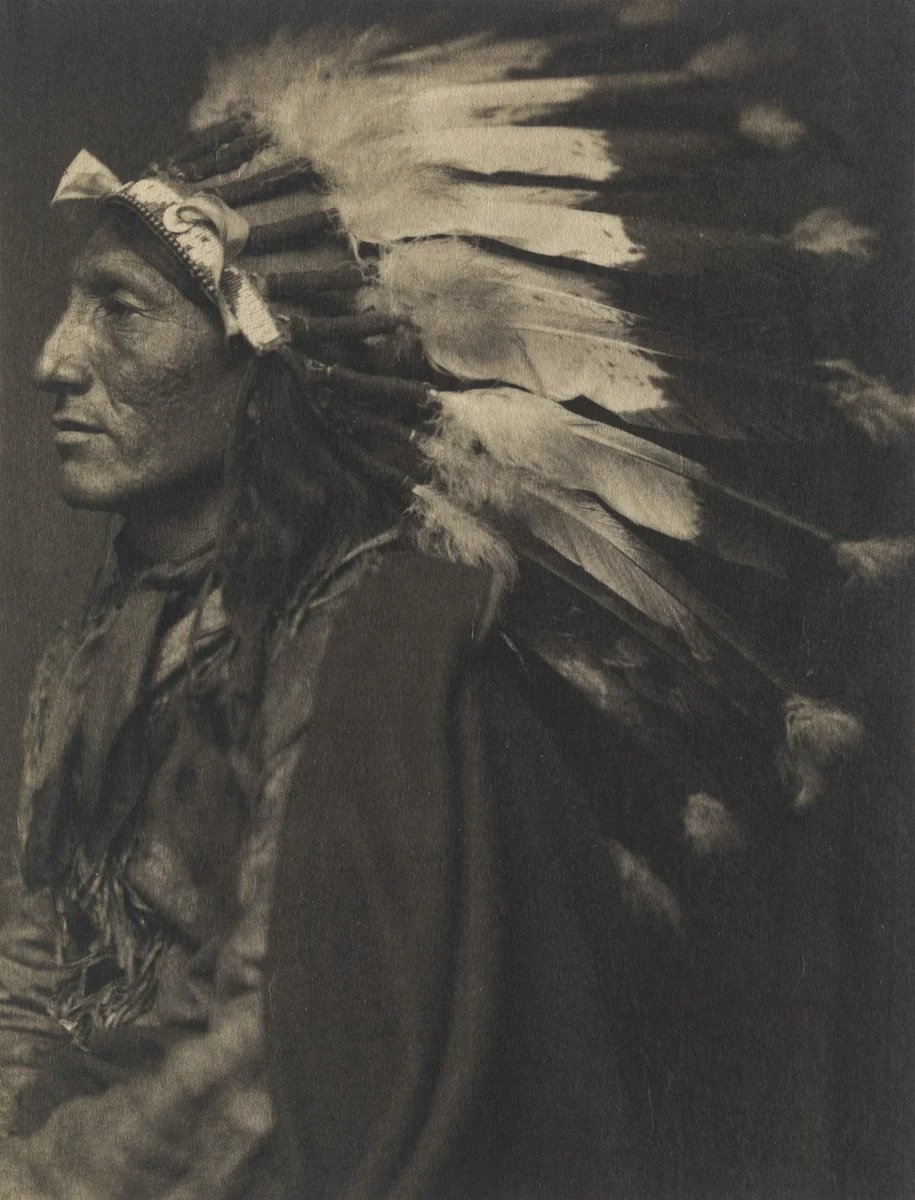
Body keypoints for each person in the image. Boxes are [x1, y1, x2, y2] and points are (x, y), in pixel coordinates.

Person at [0, 21, 886, 1200]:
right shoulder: (110, 635)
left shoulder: (379, 645)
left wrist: (40, 1171)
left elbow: (290, 1059)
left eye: (120, 311)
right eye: (73, 309)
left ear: (263, 364)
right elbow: (38, 947)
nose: (54, 362)